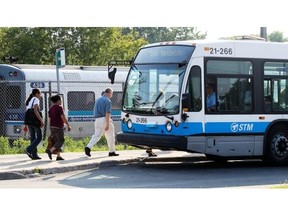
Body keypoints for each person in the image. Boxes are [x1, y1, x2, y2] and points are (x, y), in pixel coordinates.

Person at [84, 88, 119, 157]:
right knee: (110, 136)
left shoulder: (97, 100)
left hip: (97, 120)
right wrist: (108, 124)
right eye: (111, 94)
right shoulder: (107, 101)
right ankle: (112, 151)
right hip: (104, 119)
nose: (111, 96)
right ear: (109, 93)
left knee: (96, 135)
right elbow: (107, 113)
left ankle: (88, 147)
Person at [46, 95, 71, 161]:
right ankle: (50, 150)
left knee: (56, 141)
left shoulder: (51, 108)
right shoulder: (59, 107)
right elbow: (62, 117)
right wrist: (68, 125)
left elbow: (49, 118)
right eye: (60, 100)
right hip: (58, 127)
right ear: (58, 100)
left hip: (52, 126)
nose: (61, 101)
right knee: (61, 141)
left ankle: (58, 156)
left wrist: (50, 126)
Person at [24, 88, 44, 160]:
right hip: (35, 122)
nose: (40, 95)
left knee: (33, 137)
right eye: (40, 93)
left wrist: (26, 125)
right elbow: (35, 111)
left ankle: (34, 155)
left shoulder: (29, 100)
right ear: (36, 93)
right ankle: (28, 149)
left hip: (29, 121)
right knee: (39, 137)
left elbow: (27, 113)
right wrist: (41, 121)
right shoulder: (36, 99)